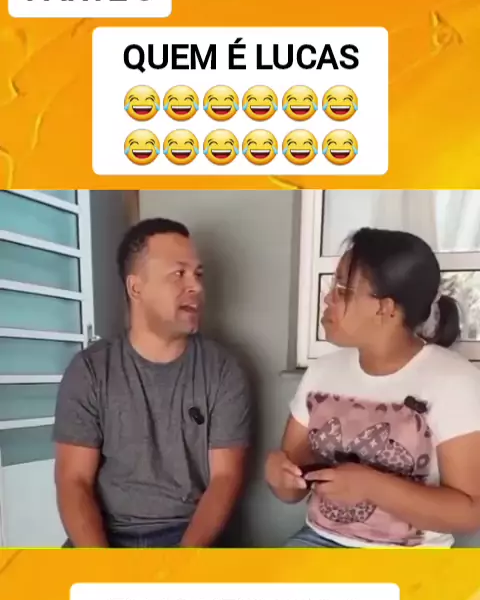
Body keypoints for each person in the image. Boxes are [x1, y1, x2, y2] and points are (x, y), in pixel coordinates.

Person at [265, 227, 480, 548]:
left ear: (386, 308)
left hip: (410, 559)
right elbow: (291, 490)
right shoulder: (322, 372)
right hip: (317, 541)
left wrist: (372, 487)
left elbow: (471, 513)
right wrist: (278, 475)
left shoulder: (454, 381)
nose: (328, 297)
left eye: (342, 288)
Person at [54, 218, 251, 547]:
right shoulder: (89, 371)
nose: (196, 287)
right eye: (179, 273)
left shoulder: (223, 371)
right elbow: (73, 481)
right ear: (136, 288)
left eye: (198, 274)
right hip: (105, 534)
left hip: (188, 534)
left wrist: (181, 564)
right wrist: (100, 568)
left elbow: (225, 479)